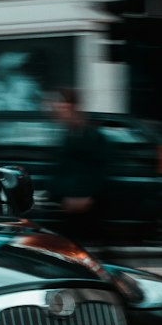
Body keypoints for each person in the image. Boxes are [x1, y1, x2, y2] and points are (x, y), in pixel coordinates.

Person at [44, 89, 110, 252]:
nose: (57, 113)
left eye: (61, 108)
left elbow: (96, 168)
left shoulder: (91, 136)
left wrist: (86, 196)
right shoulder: (68, 134)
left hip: (83, 202)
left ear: (72, 108)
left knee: (87, 247)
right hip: (70, 201)